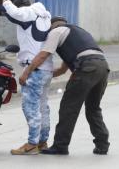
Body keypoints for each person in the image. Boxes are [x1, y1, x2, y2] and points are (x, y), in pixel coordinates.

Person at [19, 16, 110, 155]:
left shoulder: (56, 32)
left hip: (86, 67)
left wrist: (27, 72)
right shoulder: (76, 32)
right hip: (103, 67)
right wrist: (47, 74)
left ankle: (60, 146)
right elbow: (62, 70)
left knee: (69, 107)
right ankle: (102, 145)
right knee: (93, 108)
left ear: (51, 26)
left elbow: (43, 55)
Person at [0, 0, 53, 155]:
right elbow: (16, 16)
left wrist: (4, 1)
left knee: (31, 107)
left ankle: (31, 144)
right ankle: (42, 142)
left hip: (34, 69)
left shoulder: (27, 13)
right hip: (46, 68)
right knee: (43, 107)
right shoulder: (43, 15)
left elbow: (15, 13)